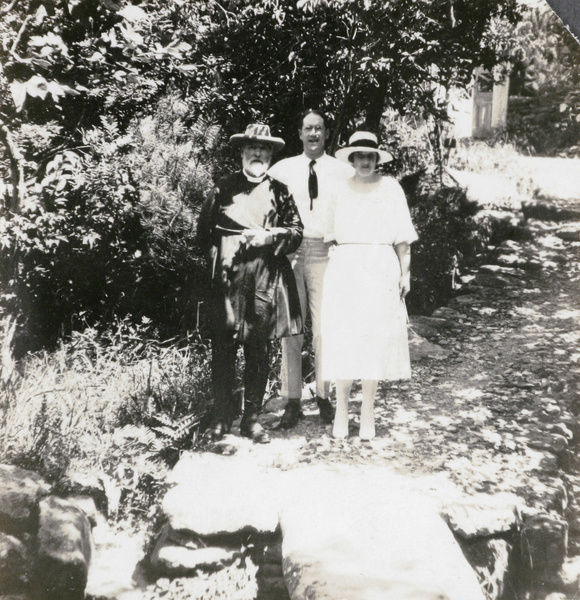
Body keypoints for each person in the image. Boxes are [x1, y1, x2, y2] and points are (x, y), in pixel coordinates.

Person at [197, 124, 304, 444]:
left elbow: (297, 233)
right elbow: (202, 236)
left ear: (270, 154)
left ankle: (251, 419)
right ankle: (221, 417)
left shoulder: (280, 191)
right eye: (252, 147)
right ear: (242, 151)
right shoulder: (223, 188)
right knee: (223, 350)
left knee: (259, 350)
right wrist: (222, 260)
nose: (257, 153)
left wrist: (270, 236)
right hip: (228, 280)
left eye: (264, 149)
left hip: (263, 279)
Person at [320, 131, 418, 440]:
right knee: (344, 338)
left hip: (379, 268)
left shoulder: (390, 188)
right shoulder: (338, 189)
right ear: (351, 158)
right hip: (347, 269)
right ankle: (340, 409)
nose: (364, 161)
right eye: (359, 155)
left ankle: (367, 411)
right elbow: (329, 236)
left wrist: (405, 274)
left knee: (372, 340)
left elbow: (403, 238)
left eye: (370, 156)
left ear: (377, 159)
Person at [268, 109, 354, 428]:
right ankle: (292, 400)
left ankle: (323, 396)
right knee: (291, 329)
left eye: (319, 129)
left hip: (325, 252)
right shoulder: (282, 169)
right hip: (290, 253)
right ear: (300, 134)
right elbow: (266, 207)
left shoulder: (342, 171)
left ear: (327, 134)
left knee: (324, 329)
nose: (314, 134)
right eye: (308, 129)